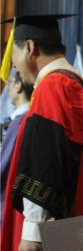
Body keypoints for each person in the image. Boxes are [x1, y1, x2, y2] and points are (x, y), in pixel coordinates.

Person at [0, 14, 83, 251]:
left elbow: (45, 158)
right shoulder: (76, 85)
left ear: (30, 48)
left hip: (52, 234)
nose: (15, 67)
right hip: (76, 219)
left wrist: (32, 229)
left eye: (13, 58)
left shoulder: (53, 86)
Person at [0, 72, 33, 224]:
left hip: (8, 202)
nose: (8, 88)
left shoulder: (20, 122)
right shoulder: (28, 119)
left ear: (19, 85)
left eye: (11, 82)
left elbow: (4, 167)